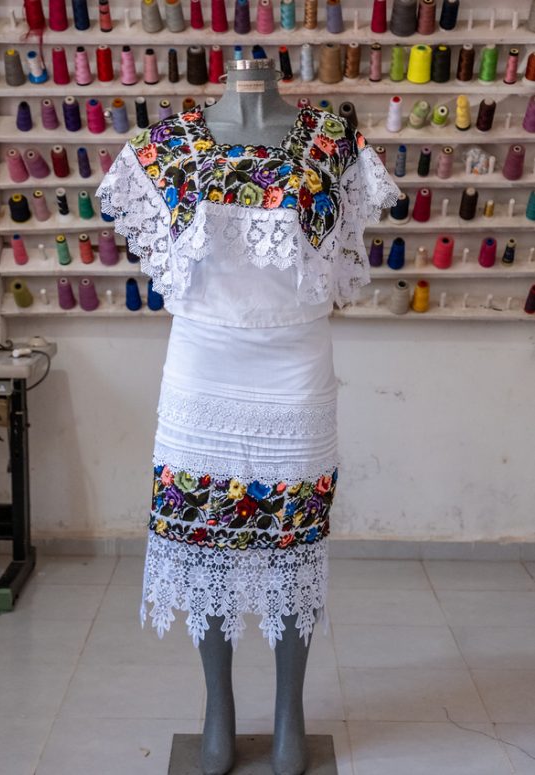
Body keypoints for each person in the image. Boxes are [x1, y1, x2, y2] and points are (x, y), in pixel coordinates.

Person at [96, 57, 401, 775]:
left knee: (293, 541)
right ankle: (218, 709)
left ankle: (290, 710)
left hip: (293, 370)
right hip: (202, 368)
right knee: (203, 538)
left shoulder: (331, 139)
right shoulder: (167, 143)